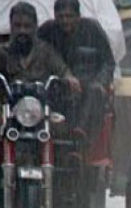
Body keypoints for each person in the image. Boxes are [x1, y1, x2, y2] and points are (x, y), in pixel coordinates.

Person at [38, 0, 115, 141]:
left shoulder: (93, 30)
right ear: (55, 16)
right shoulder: (47, 31)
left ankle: (80, 135)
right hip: (57, 87)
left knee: (95, 92)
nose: (65, 21)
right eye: (61, 17)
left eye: (69, 16)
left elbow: (108, 62)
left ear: (78, 16)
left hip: (89, 87)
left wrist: (100, 82)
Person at [0, 2, 79, 90]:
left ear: (35, 27)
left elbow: (62, 70)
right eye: (17, 26)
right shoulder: (3, 53)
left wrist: (70, 79)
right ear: (11, 26)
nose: (22, 31)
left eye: (27, 26)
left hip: (39, 101)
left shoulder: (46, 52)